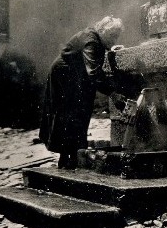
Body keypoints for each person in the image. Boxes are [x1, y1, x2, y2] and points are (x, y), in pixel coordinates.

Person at [39, 16, 125, 169]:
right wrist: (113, 93)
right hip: (64, 76)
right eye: (112, 36)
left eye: (116, 37)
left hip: (72, 76)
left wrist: (110, 50)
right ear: (103, 32)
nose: (114, 40)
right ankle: (68, 161)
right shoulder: (91, 42)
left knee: (76, 116)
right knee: (68, 116)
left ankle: (73, 158)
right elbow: (94, 73)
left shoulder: (94, 38)